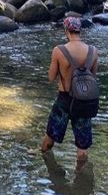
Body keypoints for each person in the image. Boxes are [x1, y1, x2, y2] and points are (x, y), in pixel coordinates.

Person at [41, 17, 99, 167]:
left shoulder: (59, 50)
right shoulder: (93, 51)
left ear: (66, 30)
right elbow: (93, 76)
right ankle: (81, 180)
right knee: (82, 146)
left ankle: (47, 164)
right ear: (80, 30)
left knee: (50, 136)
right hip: (84, 101)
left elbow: (51, 77)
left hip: (64, 100)